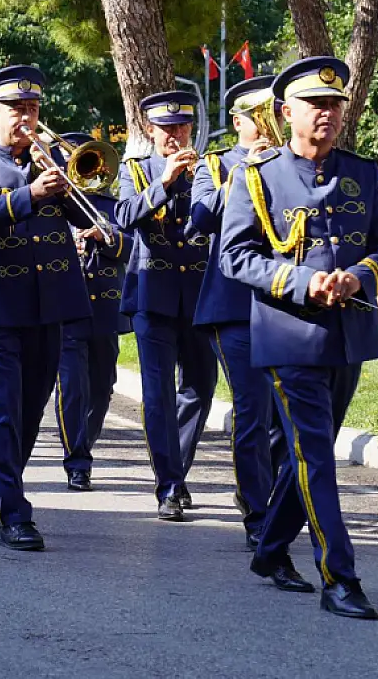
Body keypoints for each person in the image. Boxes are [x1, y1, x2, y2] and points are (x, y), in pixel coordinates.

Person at [219, 56, 378, 620]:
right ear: (284, 112)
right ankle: (339, 578)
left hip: (349, 332)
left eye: (334, 104)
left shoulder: (363, 173)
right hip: (289, 333)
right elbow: (234, 256)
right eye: (315, 104)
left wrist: (362, 274)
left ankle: (271, 549)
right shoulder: (257, 175)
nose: (327, 113)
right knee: (318, 456)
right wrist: (302, 282)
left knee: (309, 456)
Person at [0, 64, 92, 551]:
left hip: (49, 301)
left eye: (32, 108)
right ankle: (14, 509)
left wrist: (65, 181)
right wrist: (29, 192)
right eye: (17, 110)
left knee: (31, 411)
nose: (27, 118)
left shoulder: (52, 162)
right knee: (4, 409)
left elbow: (87, 213)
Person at [117, 89, 218, 522]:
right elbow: (123, 216)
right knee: (157, 395)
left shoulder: (210, 171)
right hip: (152, 294)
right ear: (149, 130)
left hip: (199, 294)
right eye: (166, 128)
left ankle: (176, 467)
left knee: (200, 387)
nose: (175, 135)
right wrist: (163, 183)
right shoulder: (136, 170)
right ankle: (170, 486)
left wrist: (198, 180)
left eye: (182, 127)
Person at [190, 75, 282, 548]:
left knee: (282, 416)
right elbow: (200, 219)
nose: (264, 126)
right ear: (237, 122)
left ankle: (273, 495)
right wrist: (242, 173)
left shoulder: (294, 162)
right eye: (254, 118)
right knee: (252, 407)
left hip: (285, 303)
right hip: (233, 305)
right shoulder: (217, 164)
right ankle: (257, 511)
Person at [53, 129, 126, 492]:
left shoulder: (112, 207)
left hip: (105, 307)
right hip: (67, 306)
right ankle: (77, 459)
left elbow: (129, 247)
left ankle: (85, 442)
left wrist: (103, 235)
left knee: (102, 386)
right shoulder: (54, 205)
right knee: (72, 387)